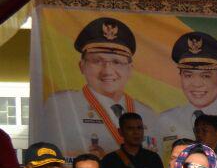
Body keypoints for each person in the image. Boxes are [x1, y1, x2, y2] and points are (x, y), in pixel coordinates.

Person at [42, 17, 158, 158]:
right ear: (82, 66)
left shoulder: (148, 114)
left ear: (130, 69)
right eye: (97, 61)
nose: (107, 71)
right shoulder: (61, 107)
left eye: (116, 62)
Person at [158, 31, 217, 149]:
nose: (196, 84)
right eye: (188, 75)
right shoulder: (165, 119)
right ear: (180, 76)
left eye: (206, 76)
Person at [100, 113, 166, 168]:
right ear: (120, 132)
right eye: (130, 128)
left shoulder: (153, 158)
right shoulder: (109, 160)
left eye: (139, 128)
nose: (136, 132)